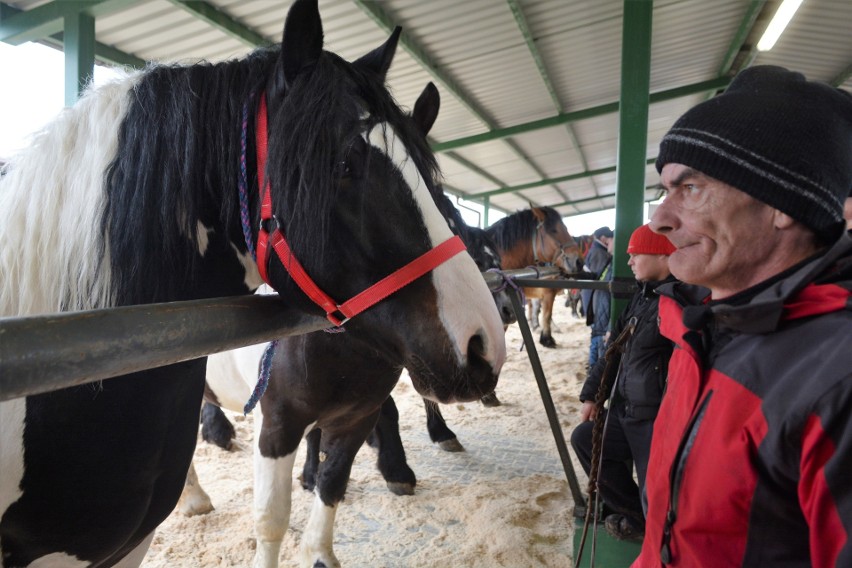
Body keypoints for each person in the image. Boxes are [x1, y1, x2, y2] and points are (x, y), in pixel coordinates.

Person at [634, 66, 852, 567]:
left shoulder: (838, 380)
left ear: (782, 205)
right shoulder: (706, 328)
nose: (660, 220)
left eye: (690, 188)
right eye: (664, 190)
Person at [571, 224, 677, 542]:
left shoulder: (681, 302)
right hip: (627, 411)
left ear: (662, 254)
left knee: (658, 491)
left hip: (657, 420)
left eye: (635, 254)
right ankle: (635, 515)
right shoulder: (640, 300)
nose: (628, 262)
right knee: (585, 438)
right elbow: (611, 353)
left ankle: (661, 534)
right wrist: (592, 396)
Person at [582, 226, 614, 368]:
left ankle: (593, 367)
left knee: (597, 342)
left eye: (611, 239)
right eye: (608, 239)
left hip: (600, 310)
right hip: (598, 308)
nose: (608, 242)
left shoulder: (603, 255)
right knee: (596, 341)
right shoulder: (602, 255)